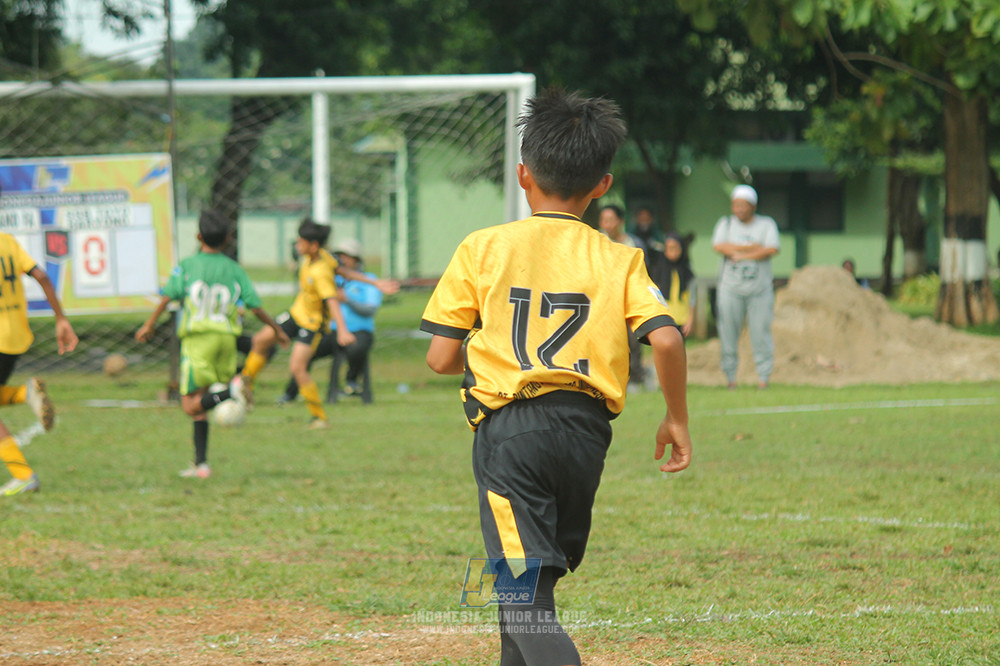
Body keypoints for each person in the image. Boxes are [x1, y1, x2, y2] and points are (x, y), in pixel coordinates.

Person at [420, 89, 692, 666]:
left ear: (523, 174)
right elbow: (667, 337)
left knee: (525, 604)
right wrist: (676, 417)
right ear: (602, 185)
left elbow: (441, 359)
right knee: (521, 591)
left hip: (511, 435)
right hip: (586, 433)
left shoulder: (484, 247)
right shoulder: (620, 258)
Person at [135, 211, 290, 478]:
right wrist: (276, 329)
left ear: (198, 236)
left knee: (189, 405)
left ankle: (232, 392)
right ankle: (201, 464)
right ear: (228, 240)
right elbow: (254, 306)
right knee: (201, 405)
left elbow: (168, 296)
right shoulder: (233, 269)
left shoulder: (187, 265)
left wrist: (149, 324)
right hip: (226, 340)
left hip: (199, 342)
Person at [239, 218, 396, 428]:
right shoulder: (321, 256)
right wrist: (374, 281)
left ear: (313, 245)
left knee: (297, 367)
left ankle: (319, 417)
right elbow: (341, 270)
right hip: (297, 314)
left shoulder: (320, 272)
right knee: (261, 339)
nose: (297, 245)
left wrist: (341, 330)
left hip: (312, 325)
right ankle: (245, 386)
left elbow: (332, 301)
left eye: (301, 241)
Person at [0, 230, 78, 497]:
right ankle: (26, 394)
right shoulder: (7, 241)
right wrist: (60, 318)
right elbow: (42, 276)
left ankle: (23, 475)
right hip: (15, 336)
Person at [277, 237, 383, 403]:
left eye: (346, 256)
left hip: (360, 330)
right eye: (339, 256)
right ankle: (290, 393)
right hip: (331, 330)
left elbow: (370, 309)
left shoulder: (368, 280)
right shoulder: (331, 277)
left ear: (356, 259)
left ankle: (351, 382)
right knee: (305, 352)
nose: (342, 259)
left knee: (357, 349)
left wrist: (347, 299)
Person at [711, 184, 780, 389]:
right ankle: (731, 378)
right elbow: (719, 245)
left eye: (743, 205)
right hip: (730, 290)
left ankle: (763, 378)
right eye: (735, 205)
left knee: (761, 334)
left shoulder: (766, 224)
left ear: (753, 206)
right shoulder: (725, 223)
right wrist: (752, 247)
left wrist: (739, 254)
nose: (739, 209)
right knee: (728, 334)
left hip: (760, 290)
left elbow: (771, 248)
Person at [599, 204, 647, 390]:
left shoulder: (632, 245)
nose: (607, 225)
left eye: (611, 220)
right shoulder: (597, 242)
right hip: (603, 300)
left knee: (632, 341)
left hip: (627, 299)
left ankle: (635, 378)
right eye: (604, 220)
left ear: (620, 221)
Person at [648, 232, 696, 338]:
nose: (672, 252)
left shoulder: (687, 271)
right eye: (669, 248)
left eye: (675, 248)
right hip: (663, 319)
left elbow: (692, 297)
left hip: (682, 319)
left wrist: (690, 320)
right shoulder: (658, 270)